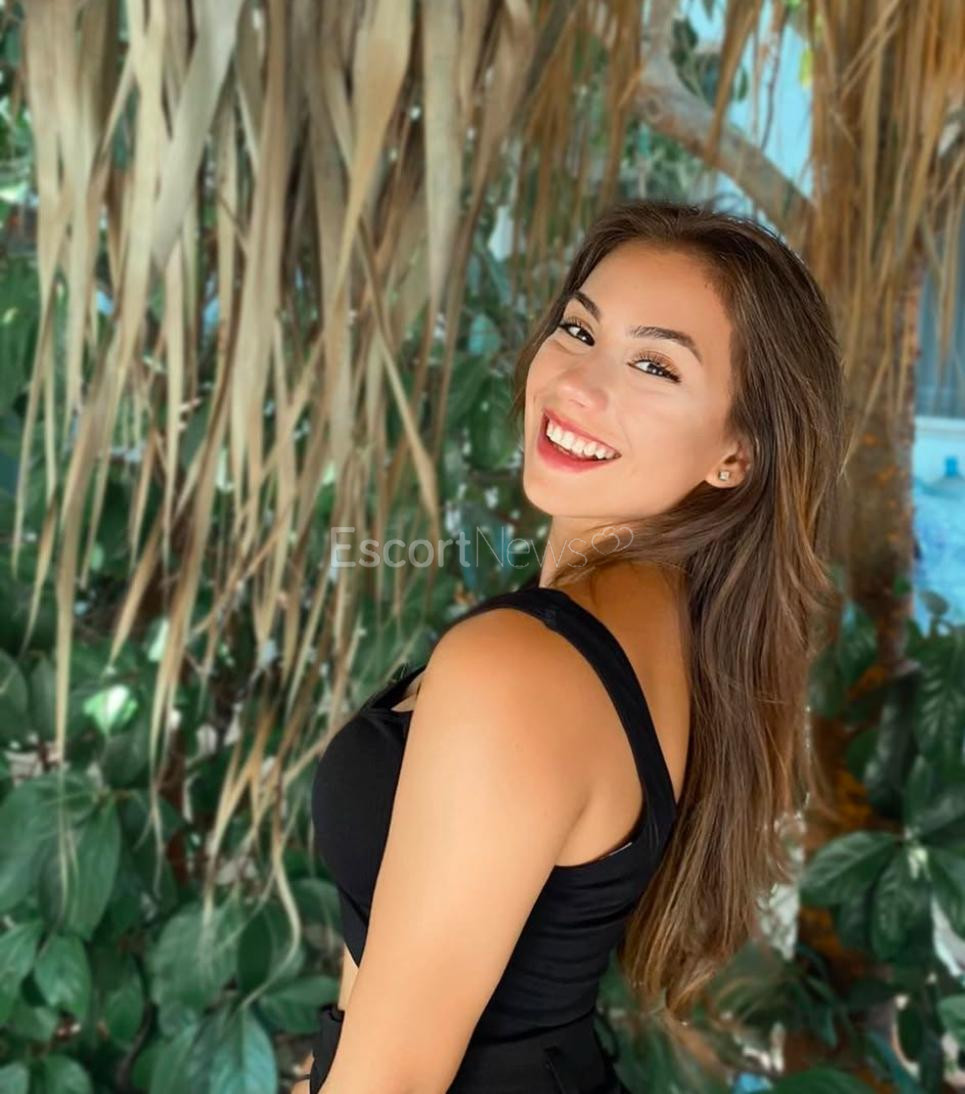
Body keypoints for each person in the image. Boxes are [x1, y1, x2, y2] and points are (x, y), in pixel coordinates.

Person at [295, 198, 846, 1092]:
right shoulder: (665, 634)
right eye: (579, 331)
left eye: (654, 366)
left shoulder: (524, 668)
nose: (578, 386)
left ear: (736, 457)